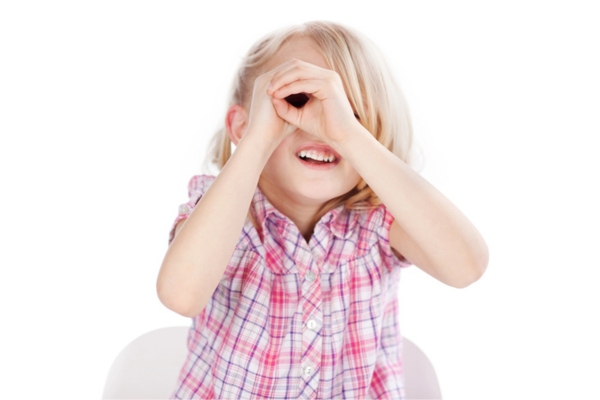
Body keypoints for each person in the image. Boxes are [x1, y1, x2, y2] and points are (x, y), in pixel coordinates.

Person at [157, 21, 488, 400]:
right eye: (297, 102)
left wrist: (347, 134)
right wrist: (258, 140)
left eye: (351, 113)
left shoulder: (378, 220)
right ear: (242, 125)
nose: (320, 128)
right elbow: (181, 296)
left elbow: (466, 267)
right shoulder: (222, 212)